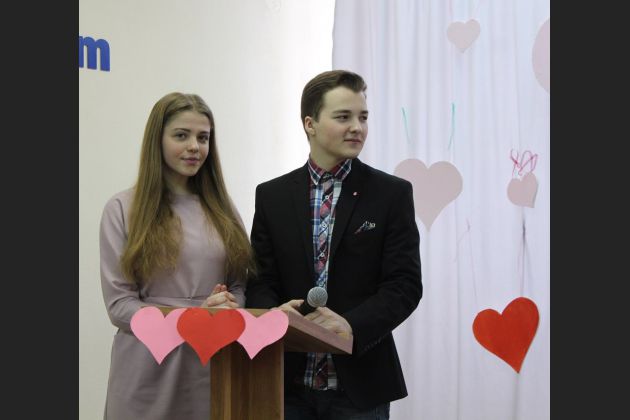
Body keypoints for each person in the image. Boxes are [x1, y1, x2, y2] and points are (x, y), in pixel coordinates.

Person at [246, 70, 422, 419]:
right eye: (343, 117)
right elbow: (260, 280)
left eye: (363, 117)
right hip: (285, 383)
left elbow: (404, 285)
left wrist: (350, 327)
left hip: (360, 387)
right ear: (309, 124)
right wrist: (273, 315)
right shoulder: (272, 196)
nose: (357, 127)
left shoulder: (391, 194)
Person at [99, 92, 255, 420]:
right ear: (157, 140)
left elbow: (239, 286)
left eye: (203, 138)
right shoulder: (122, 208)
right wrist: (195, 317)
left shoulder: (224, 209)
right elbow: (119, 306)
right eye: (181, 135)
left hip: (211, 364)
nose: (194, 147)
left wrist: (228, 307)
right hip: (147, 367)